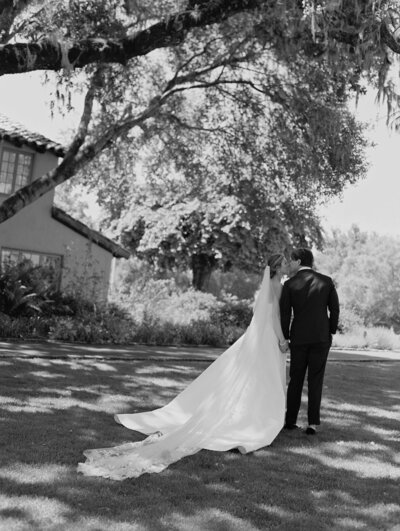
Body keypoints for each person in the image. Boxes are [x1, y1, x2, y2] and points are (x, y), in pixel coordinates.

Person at [78, 254, 289, 480]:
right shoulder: (276, 286)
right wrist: (282, 340)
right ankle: (255, 419)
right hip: (268, 338)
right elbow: (274, 316)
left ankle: (249, 414)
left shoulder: (267, 285)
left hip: (257, 337)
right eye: (285, 262)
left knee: (253, 379)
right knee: (261, 379)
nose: (287, 265)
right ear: (277, 267)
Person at [280, 248, 340, 435]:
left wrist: (286, 335)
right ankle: (312, 424)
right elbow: (335, 310)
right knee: (316, 380)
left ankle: (290, 421)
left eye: (291, 260)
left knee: (296, 379)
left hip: (298, 338)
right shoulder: (326, 281)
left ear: (299, 261)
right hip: (321, 338)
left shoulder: (290, 284)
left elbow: (285, 314)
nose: (289, 263)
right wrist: (330, 331)